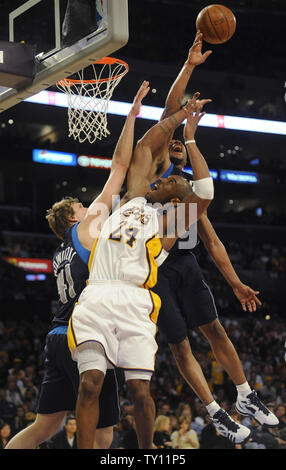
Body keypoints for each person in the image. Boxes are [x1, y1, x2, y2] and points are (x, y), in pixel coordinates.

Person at [136, 30, 279, 434]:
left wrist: (236, 283)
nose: (177, 147)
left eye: (183, 145)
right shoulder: (157, 171)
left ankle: (245, 393)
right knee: (180, 344)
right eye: (175, 145)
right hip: (152, 266)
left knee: (214, 328)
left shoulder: (189, 195)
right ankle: (215, 411)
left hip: (184, 263)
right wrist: (189, 65)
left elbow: (213, 241)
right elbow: (168, 113)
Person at [5, 81, 151, 450]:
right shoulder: (85, 229)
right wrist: (131, 115)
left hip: (56, 337)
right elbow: (119, 166)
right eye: (82, 208)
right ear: (74, 219)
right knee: (103, 430)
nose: (91, 208)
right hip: (82, 335)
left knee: (45, 427)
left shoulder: (59, 253)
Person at [69, 94, 215, 449]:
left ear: (177, 200)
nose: (158, 182)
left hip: (136, 301)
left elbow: (206, 192)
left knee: (139, 390)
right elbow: (146, 147)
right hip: (98, 294)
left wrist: (192, 140)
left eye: (166, 184)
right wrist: (179, 114)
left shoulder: (171, 223)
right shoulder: (134, 196)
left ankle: (146, 448)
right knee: (90, 383)